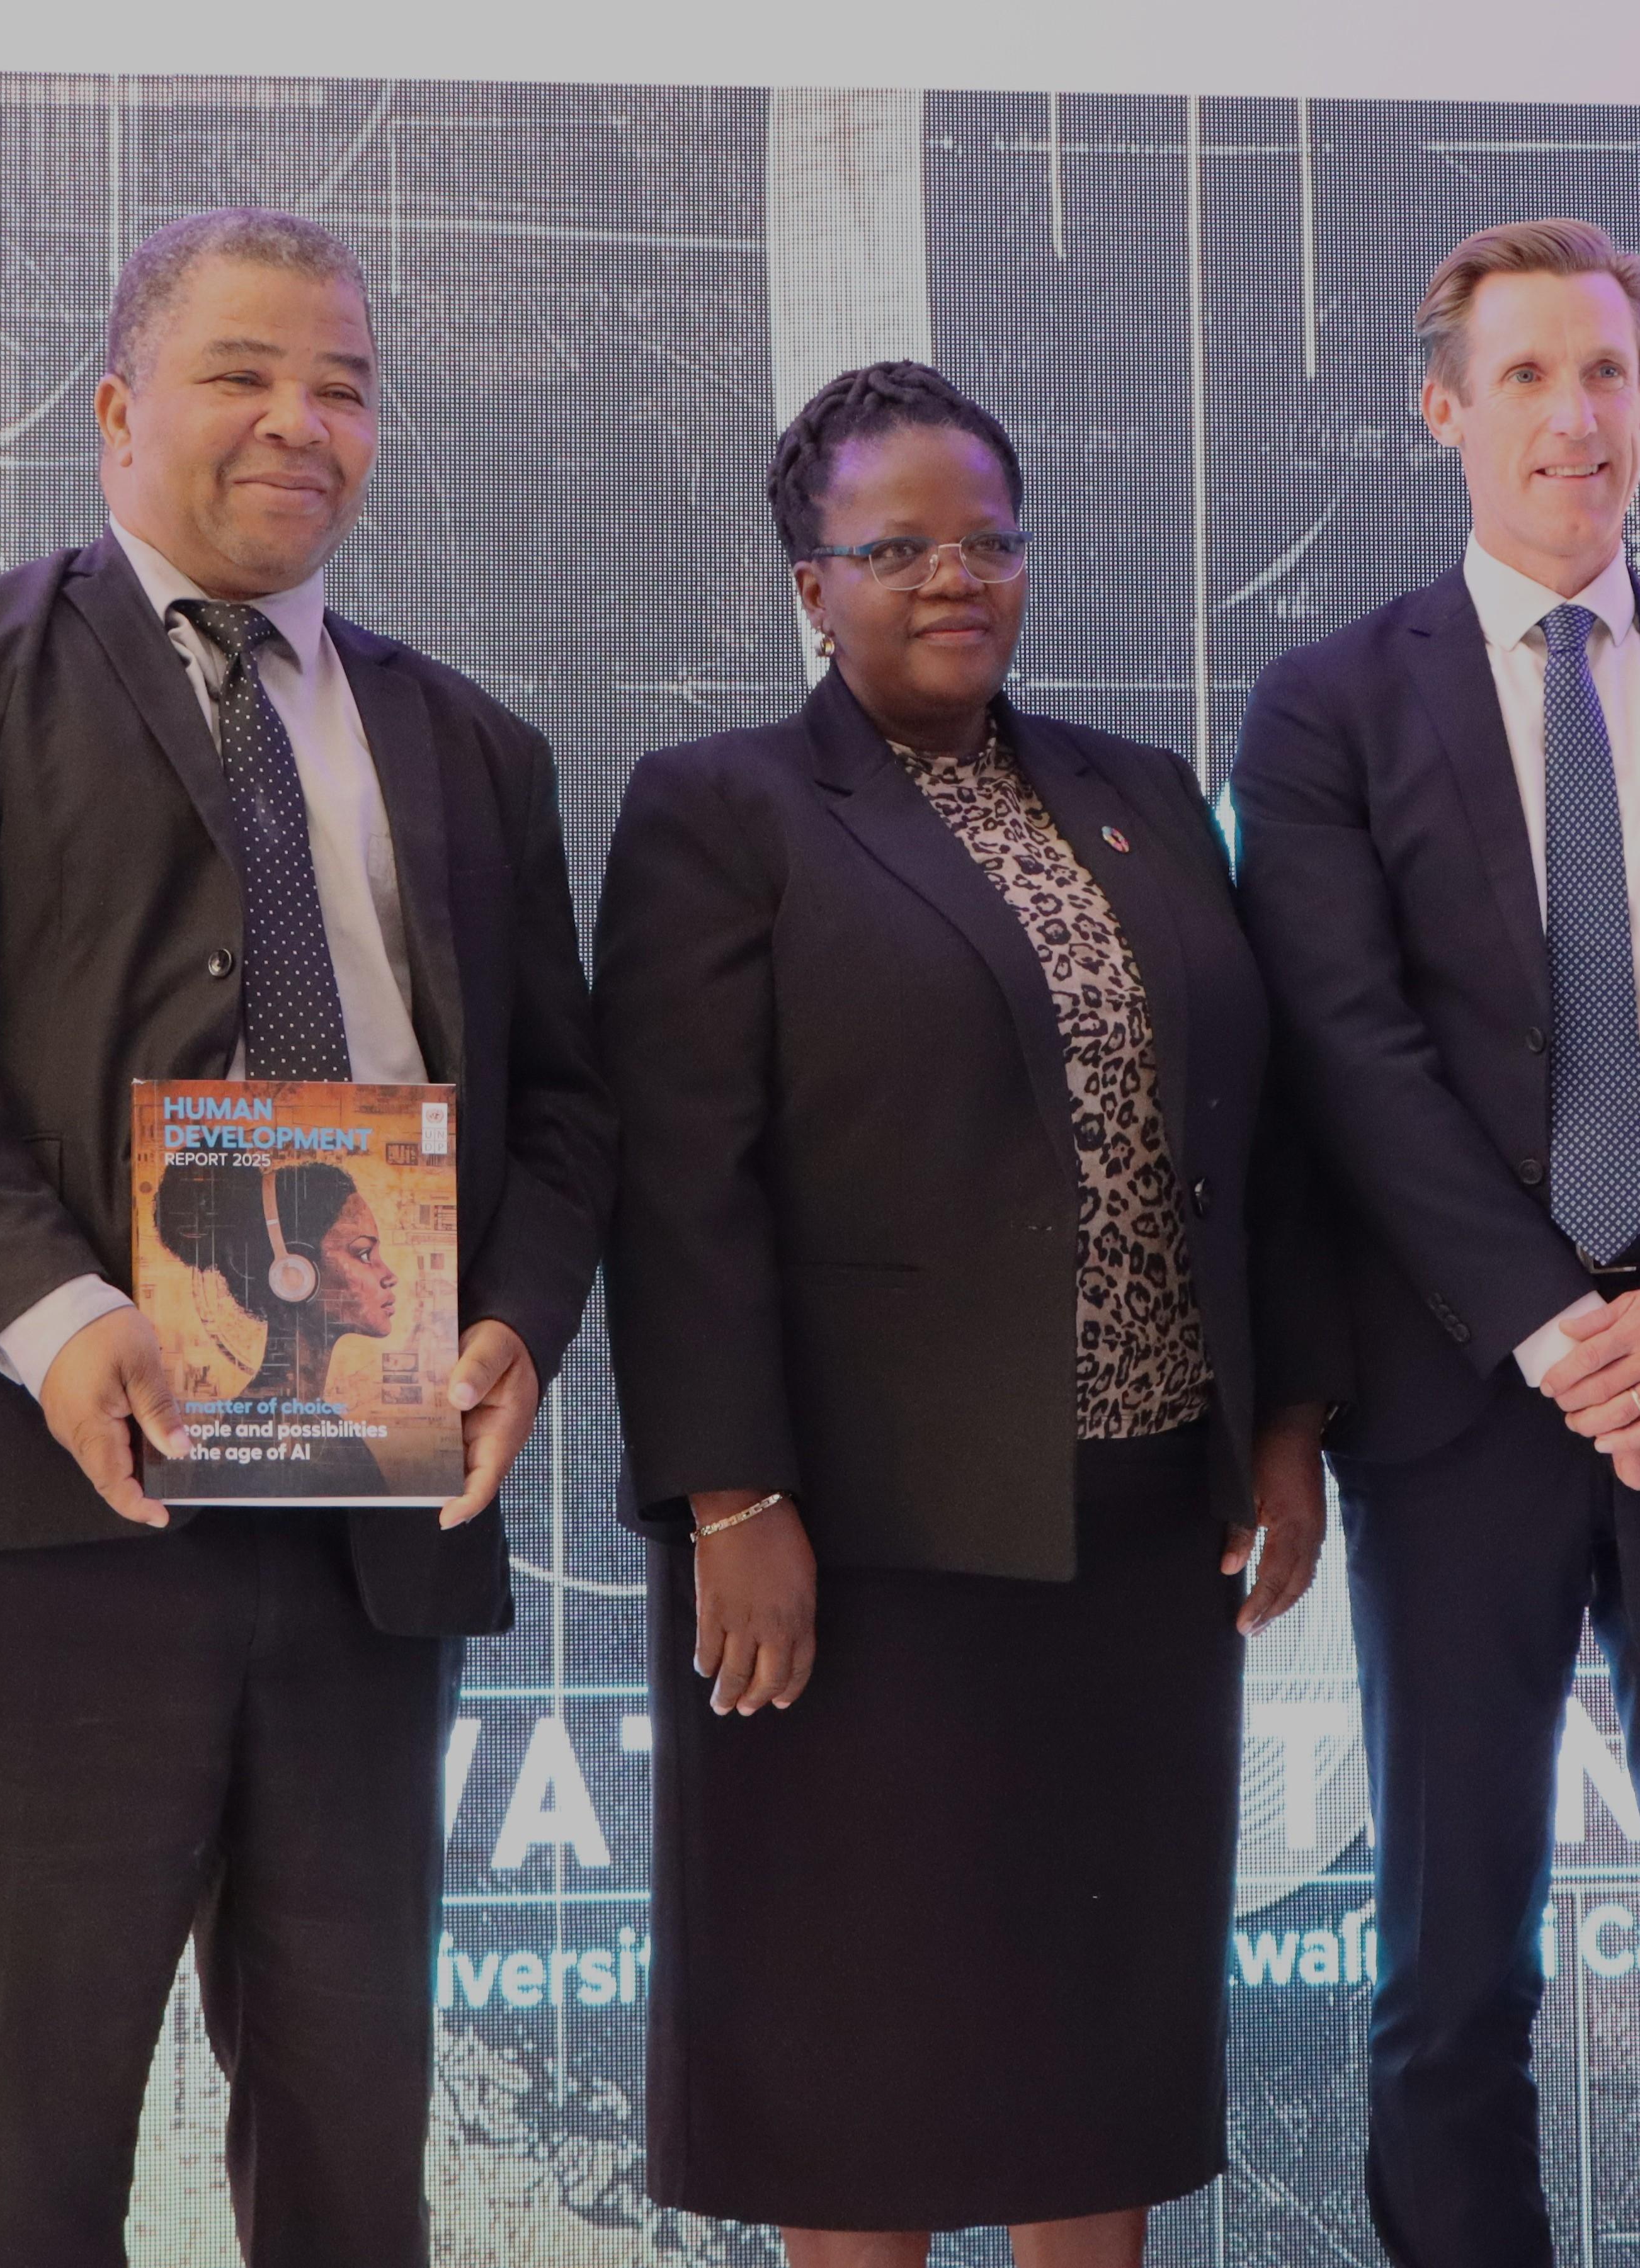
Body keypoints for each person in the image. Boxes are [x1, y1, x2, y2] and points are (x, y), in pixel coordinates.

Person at [0, 207, 610, 2265]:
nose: (300, 421)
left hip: (373, 1519)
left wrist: (513, 1320)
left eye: (342, 383)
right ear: (119, 409)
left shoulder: (471, 743)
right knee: (7, 2152)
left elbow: (573, 1104)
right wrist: (56, 1319)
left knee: (352, 2158)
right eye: (244, 372)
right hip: (50, 1513)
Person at [597, 359, 1336, 2267]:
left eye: (988, 540)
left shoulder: (1142, 793)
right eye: (898, 544)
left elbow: (1252, 1130)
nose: (955, 577)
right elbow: (682, 1186)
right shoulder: (722, 811)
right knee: (870, 2059)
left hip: (1137, 1525)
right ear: (807, 585)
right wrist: (730, 1499)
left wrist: (1283, 1427)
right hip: (862, 1544)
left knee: (1094, 2038)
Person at [1230, 219, 1640, 2266]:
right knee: (1448, 1977)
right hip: (1461, 1406)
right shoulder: (1328, 709)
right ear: (1445, 411)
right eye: (1523, 377)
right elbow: (1349, 1060)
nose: (1571, 416)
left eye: (1604, 373)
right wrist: (1565, 1333)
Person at [147, 1160, 401, 1499]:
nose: (389, 1275)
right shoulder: (268, 1441)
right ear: (293, 1274)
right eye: (365, 1253)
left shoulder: (314, 1420)